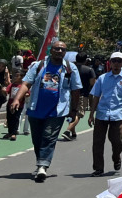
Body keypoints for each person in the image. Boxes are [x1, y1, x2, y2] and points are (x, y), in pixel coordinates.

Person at [8, 41, 82, 182]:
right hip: (36, 109)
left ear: (65, 52)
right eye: (57, 48)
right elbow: (26, 84)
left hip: (57, 111)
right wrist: (17, 99)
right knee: (37, 139)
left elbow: (76, 90)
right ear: (51, 50)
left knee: (49, 137)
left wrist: (74, 109)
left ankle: (42, 166)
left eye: (62, 49)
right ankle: (41, 162)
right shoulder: (38, 66)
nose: (60, 51)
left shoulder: (70, 68)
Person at [88, 52, 122, 176]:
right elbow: (96, 96)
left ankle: (117, 157)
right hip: (102, 114)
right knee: (98, 142)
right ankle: (98, 168)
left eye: (119, 61)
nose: (116, 63)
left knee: (117, 141)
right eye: (114, 61)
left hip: (117, 114)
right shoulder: (102, 78)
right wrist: (91, 114)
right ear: (110, 62)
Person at [63, 53, 96, 141]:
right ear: (85, 60)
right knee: (79, 114)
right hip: (83, 94)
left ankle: (73, 133)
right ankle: (67, 130)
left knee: (72, 112)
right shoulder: (89, 70)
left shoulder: (70, 68)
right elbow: (92, 83)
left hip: (69, 94)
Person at [4, 70, 29, 140]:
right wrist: (4, 91)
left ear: (22, 77)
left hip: (19, 105)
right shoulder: (12, 85)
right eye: (15, 76)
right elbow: (7, 92)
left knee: (16, 118)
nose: (15, 77)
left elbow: (27, 93)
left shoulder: (23, 86)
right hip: (10, 104)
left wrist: (24, 95)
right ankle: (10, 132)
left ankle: (14, 133)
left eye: (17, 76)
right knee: (9, 118)